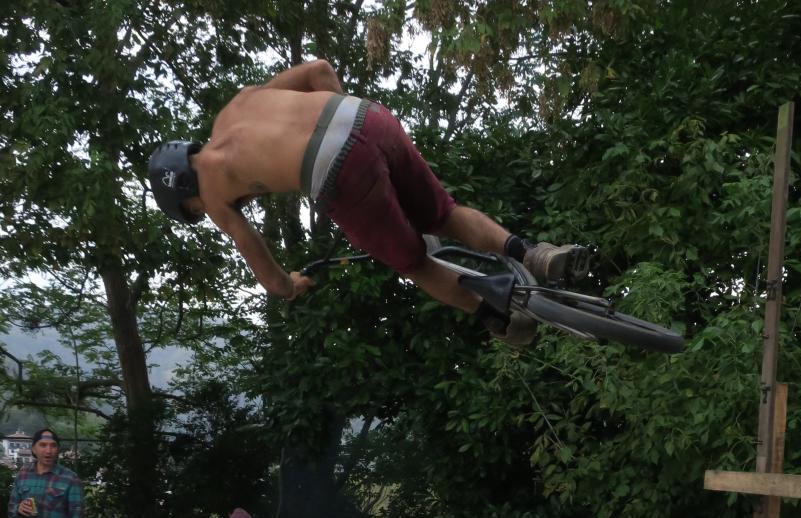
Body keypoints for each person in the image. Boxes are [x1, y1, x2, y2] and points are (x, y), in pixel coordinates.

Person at [146, 59, 587, 347]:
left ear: (186, 190)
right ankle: (532, 252)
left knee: (415, 263)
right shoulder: (238, 106)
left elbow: (271, 279)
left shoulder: (214, 192)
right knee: (444, 214)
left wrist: (291, 286)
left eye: (195, 210)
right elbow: (319, 70)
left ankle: (500, 317)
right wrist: (349, 130)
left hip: (338, 171)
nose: (206, 211)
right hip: (368, 117)